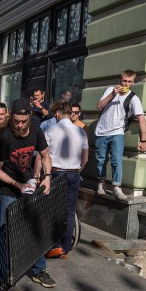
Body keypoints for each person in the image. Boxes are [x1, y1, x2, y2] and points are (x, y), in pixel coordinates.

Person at [0, 99, 57, 291]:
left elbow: (45, 155)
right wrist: (17, 184)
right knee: (6, 232)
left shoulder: (36, 131)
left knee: (34, 228)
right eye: (17, 120)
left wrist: (47, 177)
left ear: (30, 117)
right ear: (12, 116)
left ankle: (38, 270)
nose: (20, 125)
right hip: (7, 187)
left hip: (27, 184)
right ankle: (5, 277)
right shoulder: (3, 135)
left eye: (23, 121)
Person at [43, 102, 89, 259]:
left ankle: (55, 246)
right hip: (73, 173)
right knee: (69, 212)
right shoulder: (81, 132)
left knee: (54, 211)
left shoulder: (50, 130)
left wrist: (40, 175)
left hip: (55, 173)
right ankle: (65, 247)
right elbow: (85, 158)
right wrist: (77, 170)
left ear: (57, 114)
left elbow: (43, 156)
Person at [95, 69, 146, 200]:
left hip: (117, 132)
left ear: (133, 83)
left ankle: (116, 188)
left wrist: (144, 140)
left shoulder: (133, 98)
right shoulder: (110, 90)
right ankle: (101, 184)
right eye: (124, 80)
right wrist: (112, 94)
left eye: (129, 82)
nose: (126, 84)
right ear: (120, 80)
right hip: (101, 131)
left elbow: (141, 118)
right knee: (100, 159)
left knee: (116, 161)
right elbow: (99, 106)